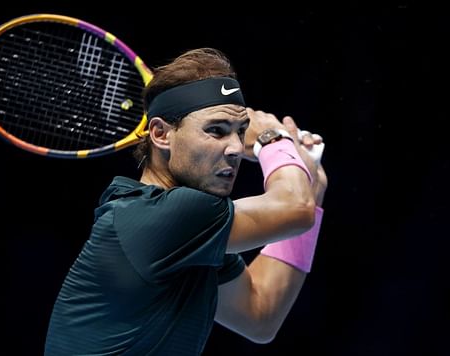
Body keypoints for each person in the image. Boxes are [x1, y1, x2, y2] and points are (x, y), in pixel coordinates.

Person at [44, 47, 328, 355]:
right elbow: (294, 208)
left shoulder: (191, 237)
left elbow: (260, 315)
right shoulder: (169, 217)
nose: (235, 149)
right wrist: (274, 140)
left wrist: (313, 188)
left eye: (241, 133)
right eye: (216, 131)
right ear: (161, 135)